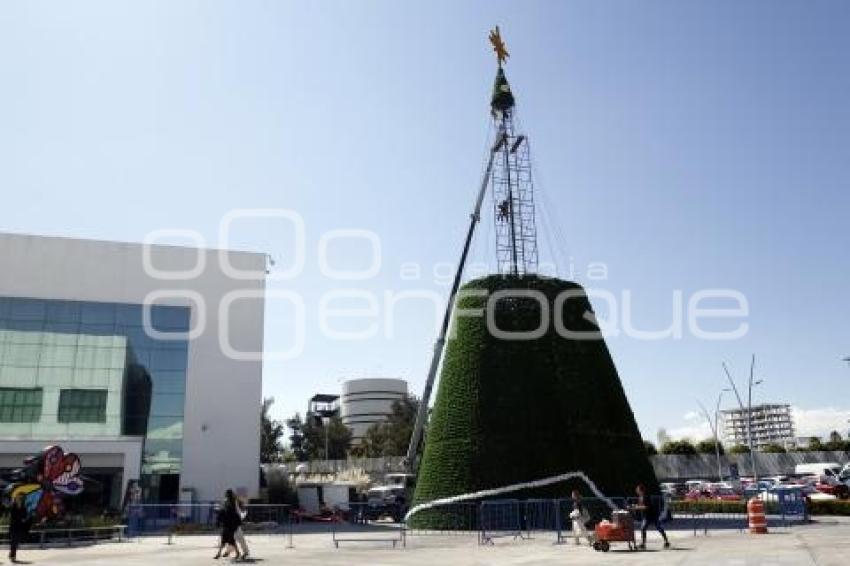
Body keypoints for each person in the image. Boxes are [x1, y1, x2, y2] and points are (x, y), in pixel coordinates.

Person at [633, 484, 670, 550]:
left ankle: (666, 541)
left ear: (641, 490)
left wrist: (637, 507)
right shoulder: (640, 497)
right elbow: (641, 505)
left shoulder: (646, 497)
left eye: (637, 489)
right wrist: (635, 506)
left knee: (659, 528)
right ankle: (643, 544)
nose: (636, 490)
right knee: (643, 528)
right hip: (646, 516)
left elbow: (647, 506)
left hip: (652, 515)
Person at [213, 490, 242, 560]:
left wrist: (220, 512)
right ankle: (236, 553)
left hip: (229, 525)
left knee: (227, 539)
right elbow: (226, 511)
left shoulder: (230, 502)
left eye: (226, 494)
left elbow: (227, 511)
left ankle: (219, 554)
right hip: (229, 524)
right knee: (229, 540)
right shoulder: (230, 502)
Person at [9, 493, 32, 563]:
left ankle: (11, 553)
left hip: (20, 527)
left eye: (20, 499)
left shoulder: (23, 507)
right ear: (15, 499)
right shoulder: (13, 506)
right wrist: (20, 518)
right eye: (18, 498)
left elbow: (25, 515)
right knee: (13, 541)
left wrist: (25, 519)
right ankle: (13, 556)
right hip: (13, 526)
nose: (19, 500)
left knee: (16, 542)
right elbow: (12, 517)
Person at [233, 492, 250, 559]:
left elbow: (239, 513)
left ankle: (244, 552)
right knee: (234, 539)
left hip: (236, 524)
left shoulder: (235, 504)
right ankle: (240, 552)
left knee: (239, 538)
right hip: (233, 524)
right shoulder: (234, 504)